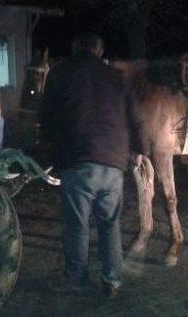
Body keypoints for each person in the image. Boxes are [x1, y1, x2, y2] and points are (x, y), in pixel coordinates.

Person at [39, 33, 142, 298]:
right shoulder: (118, 77)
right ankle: (112, 280)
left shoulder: (60, 74)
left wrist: (49, 150)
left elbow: (46, 117)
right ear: (100, 50)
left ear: (75, 48)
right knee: (109, 223)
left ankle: (76, 277)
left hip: (78, 158)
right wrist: (138, 151)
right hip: (114, 160)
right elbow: (135, 117)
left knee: (77, 224)